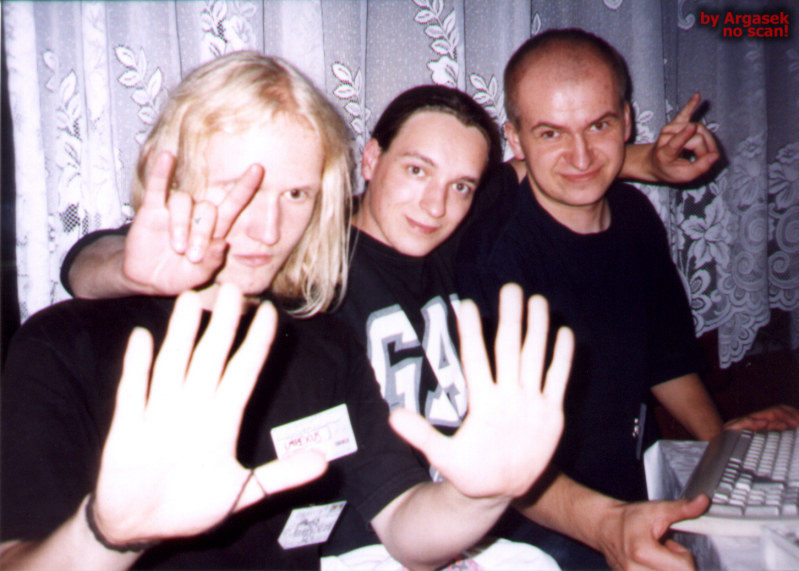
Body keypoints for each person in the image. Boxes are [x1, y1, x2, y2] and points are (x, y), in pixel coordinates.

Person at [55, 78, 729, 571]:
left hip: (459, 518)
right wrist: (126, 269)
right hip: (362, 539)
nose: (435, 204)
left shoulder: (458, 242)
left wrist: (643, 161)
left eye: (460, 186)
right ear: (371, 161)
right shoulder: (311, 255)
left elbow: (544, 164)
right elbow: (97, 262)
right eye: (415, 170)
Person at [0, 51, 576, 571]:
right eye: (241, 187)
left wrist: (479, 497)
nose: (269, 229)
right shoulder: (63, 346)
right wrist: (108, 537)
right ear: (173, 176)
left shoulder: (321, 344)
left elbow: (405, 530)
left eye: (296, 194)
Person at [455, 27, 799, 569]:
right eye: (550, 133)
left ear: (628, 121)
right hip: (538, 521)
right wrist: (608, 525)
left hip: (634, 487)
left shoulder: (635, 216)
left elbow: (666, 359)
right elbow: (497, 455)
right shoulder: (493, 252)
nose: (581, 156)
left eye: (599, 125)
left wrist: (722, 449)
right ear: (515, 140)